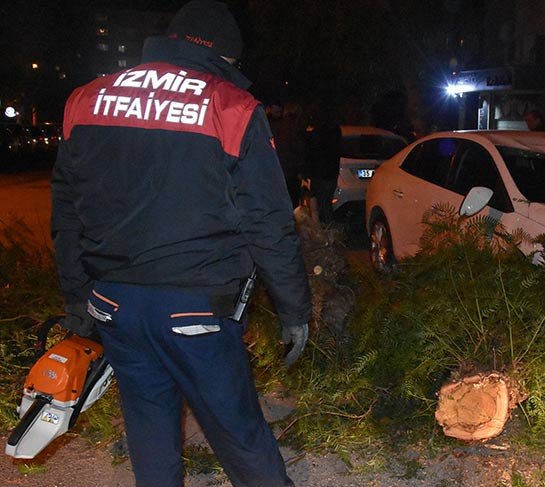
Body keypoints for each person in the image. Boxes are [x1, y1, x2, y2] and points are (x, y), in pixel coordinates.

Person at [50, 1, 311, 486]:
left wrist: (75, 294)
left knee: (149, 427)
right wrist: (294, 308)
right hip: (195, 309)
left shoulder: (86, 100)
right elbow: (268, 222)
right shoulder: (230, 107)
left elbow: (67, 209)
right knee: (239, 432)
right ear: (225, 57)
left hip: (114, 303)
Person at [305, 105, 342, 223]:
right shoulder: (336, 132)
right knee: (327, 203)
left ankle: (322, 228)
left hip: (320, 174)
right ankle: (327, 224)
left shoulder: (317, 133)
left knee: (320, 203)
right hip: (330, 173)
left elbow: (312, 152)